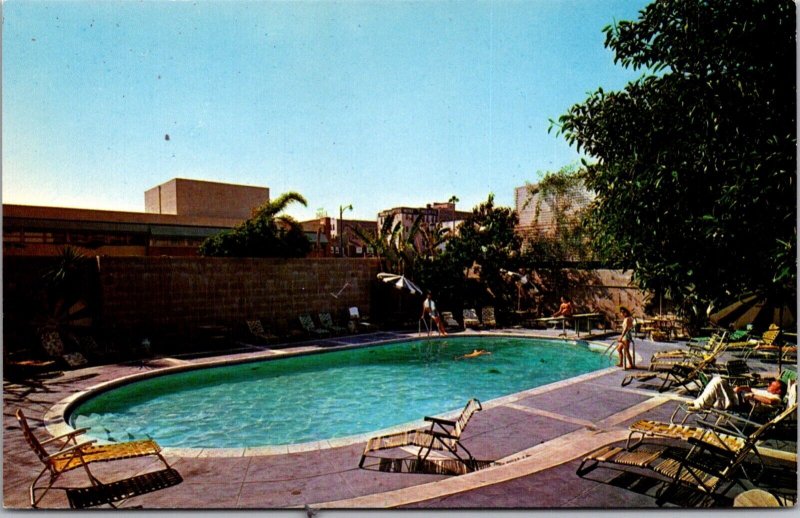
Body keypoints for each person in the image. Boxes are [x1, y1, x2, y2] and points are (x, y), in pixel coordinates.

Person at [688, 376, 786, 411]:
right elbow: (750, 388)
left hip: (743, 403)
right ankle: (699, 403)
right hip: (740, 396)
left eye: (772, 385)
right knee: (717, 380)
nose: (769, 385)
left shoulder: (777, 399)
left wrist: (752, 395)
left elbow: (769, 401)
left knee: (718, 382)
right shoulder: (766, 391)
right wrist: (741, 387)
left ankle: (700, 404)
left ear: (779, 391)